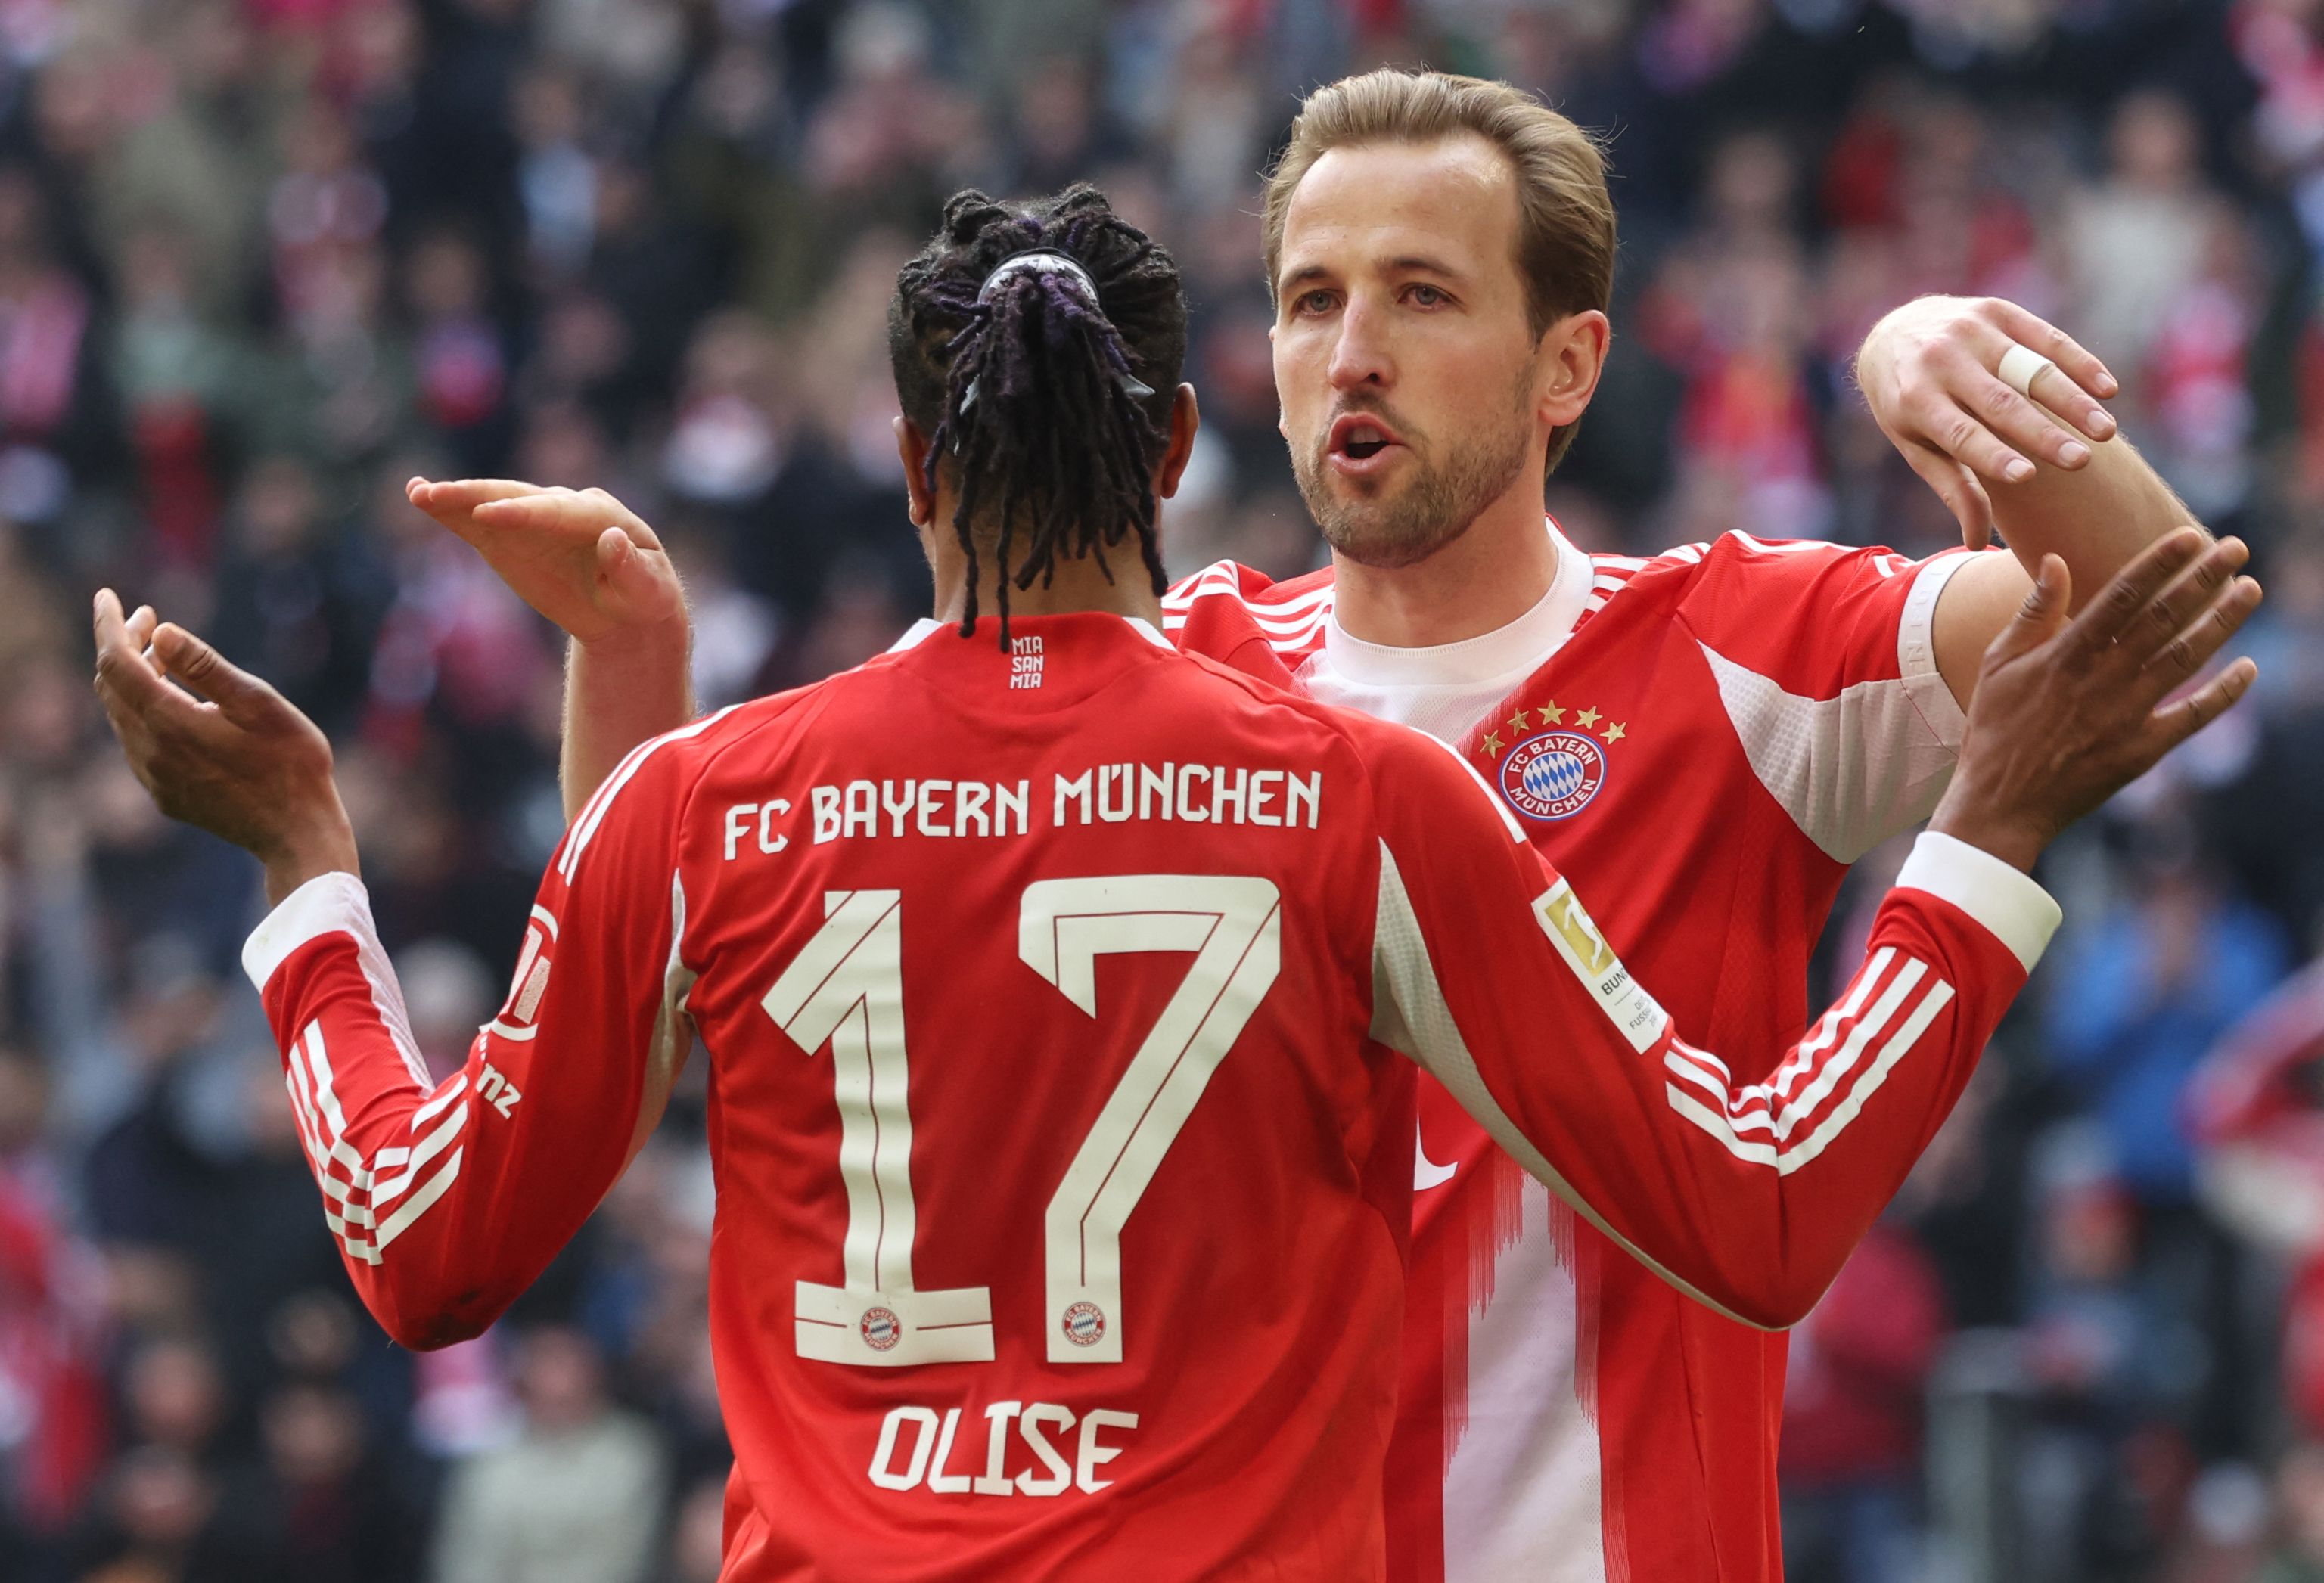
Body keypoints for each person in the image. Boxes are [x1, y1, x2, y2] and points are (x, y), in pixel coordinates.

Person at [92, 186, 2255, 1578]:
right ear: (1172, 451)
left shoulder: (714, 807)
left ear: (913, 468)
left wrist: (300, 870)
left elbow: (429, 1239)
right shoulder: (1347, 794)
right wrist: (1993, 831)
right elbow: (1761, 1205)